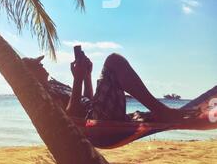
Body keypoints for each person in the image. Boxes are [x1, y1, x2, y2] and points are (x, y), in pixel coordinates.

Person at [23, 52, 183, 122]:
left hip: (97, 112)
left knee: (114, 62)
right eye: (37, 65)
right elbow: (69, 118)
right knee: (114, 61)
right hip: (94, 119)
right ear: (29, 75)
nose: (42, 65)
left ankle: (161, 111)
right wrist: (77, 79)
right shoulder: (43, 95)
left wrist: (86, 76)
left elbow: (87, 101)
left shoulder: (54, 85)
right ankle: (162, 111)